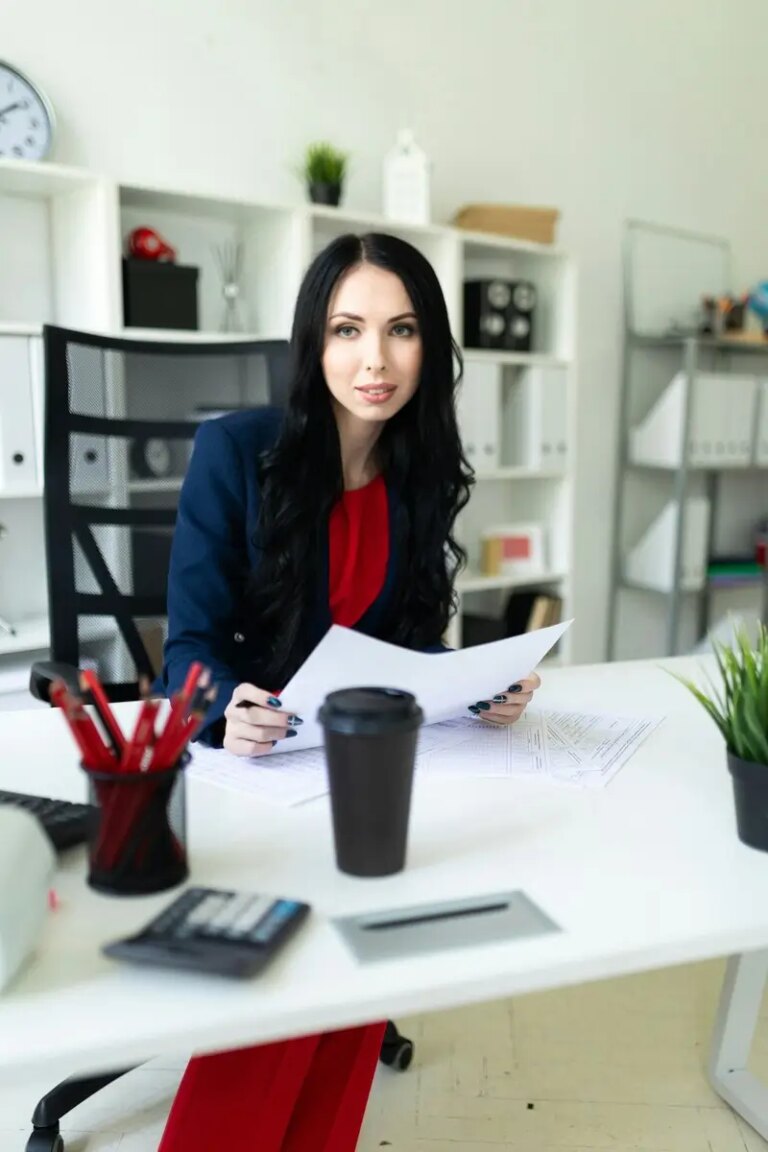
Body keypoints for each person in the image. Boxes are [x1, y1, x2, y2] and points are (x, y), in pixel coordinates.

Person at [159, 232, 541, 1151]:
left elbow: (410, 641)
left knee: (363, 949)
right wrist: (221, 710)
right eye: (348, 328)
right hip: (256, 767)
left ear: (430, 345)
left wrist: (477, 687)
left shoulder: (418, 471)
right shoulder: (235, 454)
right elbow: (188, 647)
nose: (375, 359)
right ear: (313, 342)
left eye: (402, 329)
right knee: (306, 954)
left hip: (358, 760)